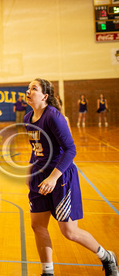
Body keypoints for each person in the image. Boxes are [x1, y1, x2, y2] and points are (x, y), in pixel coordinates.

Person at [23, 78, 117, 276]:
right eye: (28, 87)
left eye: (34, 88)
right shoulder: (27, 119)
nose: (28, 91)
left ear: (45, 96)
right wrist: (30, 169)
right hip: (40, 177)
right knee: (37, 225)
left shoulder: (54, 117)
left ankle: (107, 256)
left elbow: (70, 149)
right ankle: (47, 272)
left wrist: (53, 177)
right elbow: (36, 149)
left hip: (61, 176)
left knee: (69, 232)